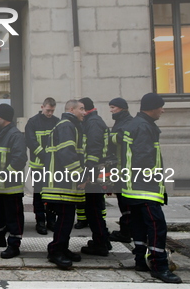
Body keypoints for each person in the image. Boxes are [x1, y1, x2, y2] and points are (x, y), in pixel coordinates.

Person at [119, 93, 181, 284]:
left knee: (138, 225)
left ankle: (140, 260)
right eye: (161, 107)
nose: (162, 110)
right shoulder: (145, 127)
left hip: (131, 187)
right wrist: (155, 180)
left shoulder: (132, 125)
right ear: (152, 107)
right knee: (157, 226)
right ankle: (159, 266)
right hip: (145, 188)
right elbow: (145, 158)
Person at [41, 99, 86, 270]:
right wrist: (80, 176)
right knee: (65, 219)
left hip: (63, 181)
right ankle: (56, 251)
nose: (84, 112)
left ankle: (62, 247)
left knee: (66, 218)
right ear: (71, 109)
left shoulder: (68, 125)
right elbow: (67, 154)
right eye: (81, 109)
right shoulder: (67, 126)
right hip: (62, 182)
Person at [0, 104, 27, 259]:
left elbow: (20, 159)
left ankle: (14, 244)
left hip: (10, 187)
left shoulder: (15, 135)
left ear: (5, 117)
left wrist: (4, 175)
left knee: (13, 217)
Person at [78, 97, 111, 256]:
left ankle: (100, 244)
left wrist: (87, 175)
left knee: (94, 209)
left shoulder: (93, 123)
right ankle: (103, 240)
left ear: (85, 109)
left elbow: (93, 150)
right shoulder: (93, 121)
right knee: (94, 208)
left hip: (95, 171)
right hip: (96, 170)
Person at [25, 97, 59, 235]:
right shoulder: (33, 122)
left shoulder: (57, 122)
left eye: (52, 111)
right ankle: (40, 221)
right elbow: (31, 142)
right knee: (39, 194)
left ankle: (51, 220)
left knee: (52, 194)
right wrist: (45, 156)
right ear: (42, 107)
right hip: (38, 165)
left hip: (53, 166)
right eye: (48, 110)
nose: (50, 113)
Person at [106, 97, 133, 243]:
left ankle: (126, 232)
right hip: (119, 170)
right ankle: (126, 230)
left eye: (113, 108)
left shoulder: (128, 122)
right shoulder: (121, 121)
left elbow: (122, 138)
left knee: (126, 202)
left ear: (122, 108)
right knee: (123, 203)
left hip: (125, 171)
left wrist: (108, 137)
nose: (111, 111)